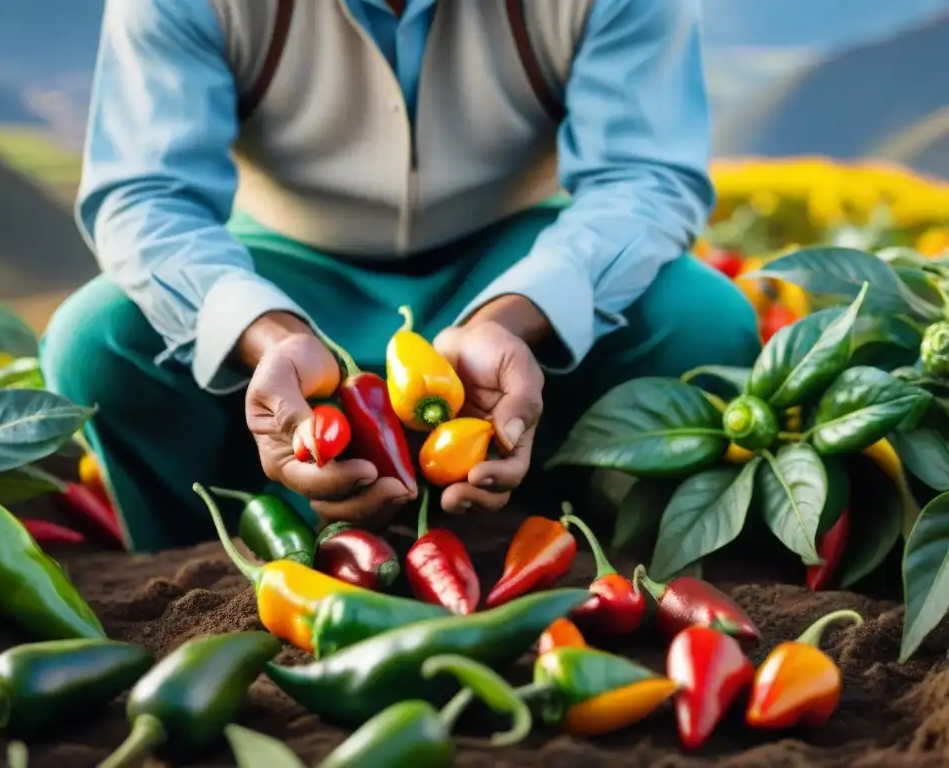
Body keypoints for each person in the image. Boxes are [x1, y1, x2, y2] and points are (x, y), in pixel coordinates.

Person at [41, 0, 761, 553]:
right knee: (96, 341)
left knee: (701, 321)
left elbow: (644, 174)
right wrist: (268, 334)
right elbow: (145, 193)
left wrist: (510, 317)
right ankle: (212, 554)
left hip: (517, 255)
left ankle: (591, 536)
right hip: (288, 264)